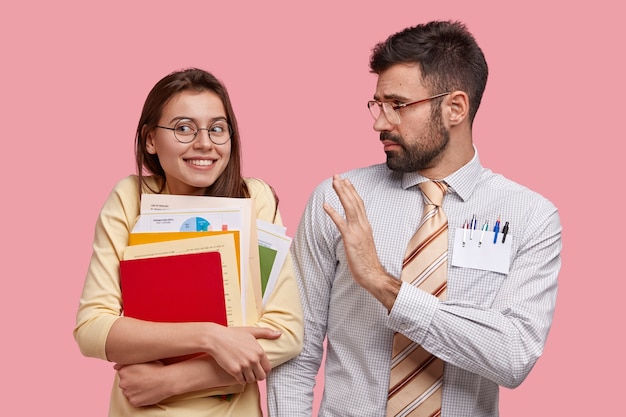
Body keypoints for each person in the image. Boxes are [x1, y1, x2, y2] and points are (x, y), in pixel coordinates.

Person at [267, 20, 561, 417]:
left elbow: (512, 356)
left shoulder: (530, 216)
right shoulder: (337, 200)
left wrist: (382, 284)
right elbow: (295, 349)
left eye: (398, 105)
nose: (380, 122)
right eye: (377, 104)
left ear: (455, 107)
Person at [74, 68, 303, 416]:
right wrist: (209, 337)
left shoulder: (253, 197)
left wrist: (173, 380)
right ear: (150, 139)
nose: (204, 143)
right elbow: (92, 329)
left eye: (217, 128)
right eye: (184, 128)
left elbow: (284, 334)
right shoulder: (129, 197)